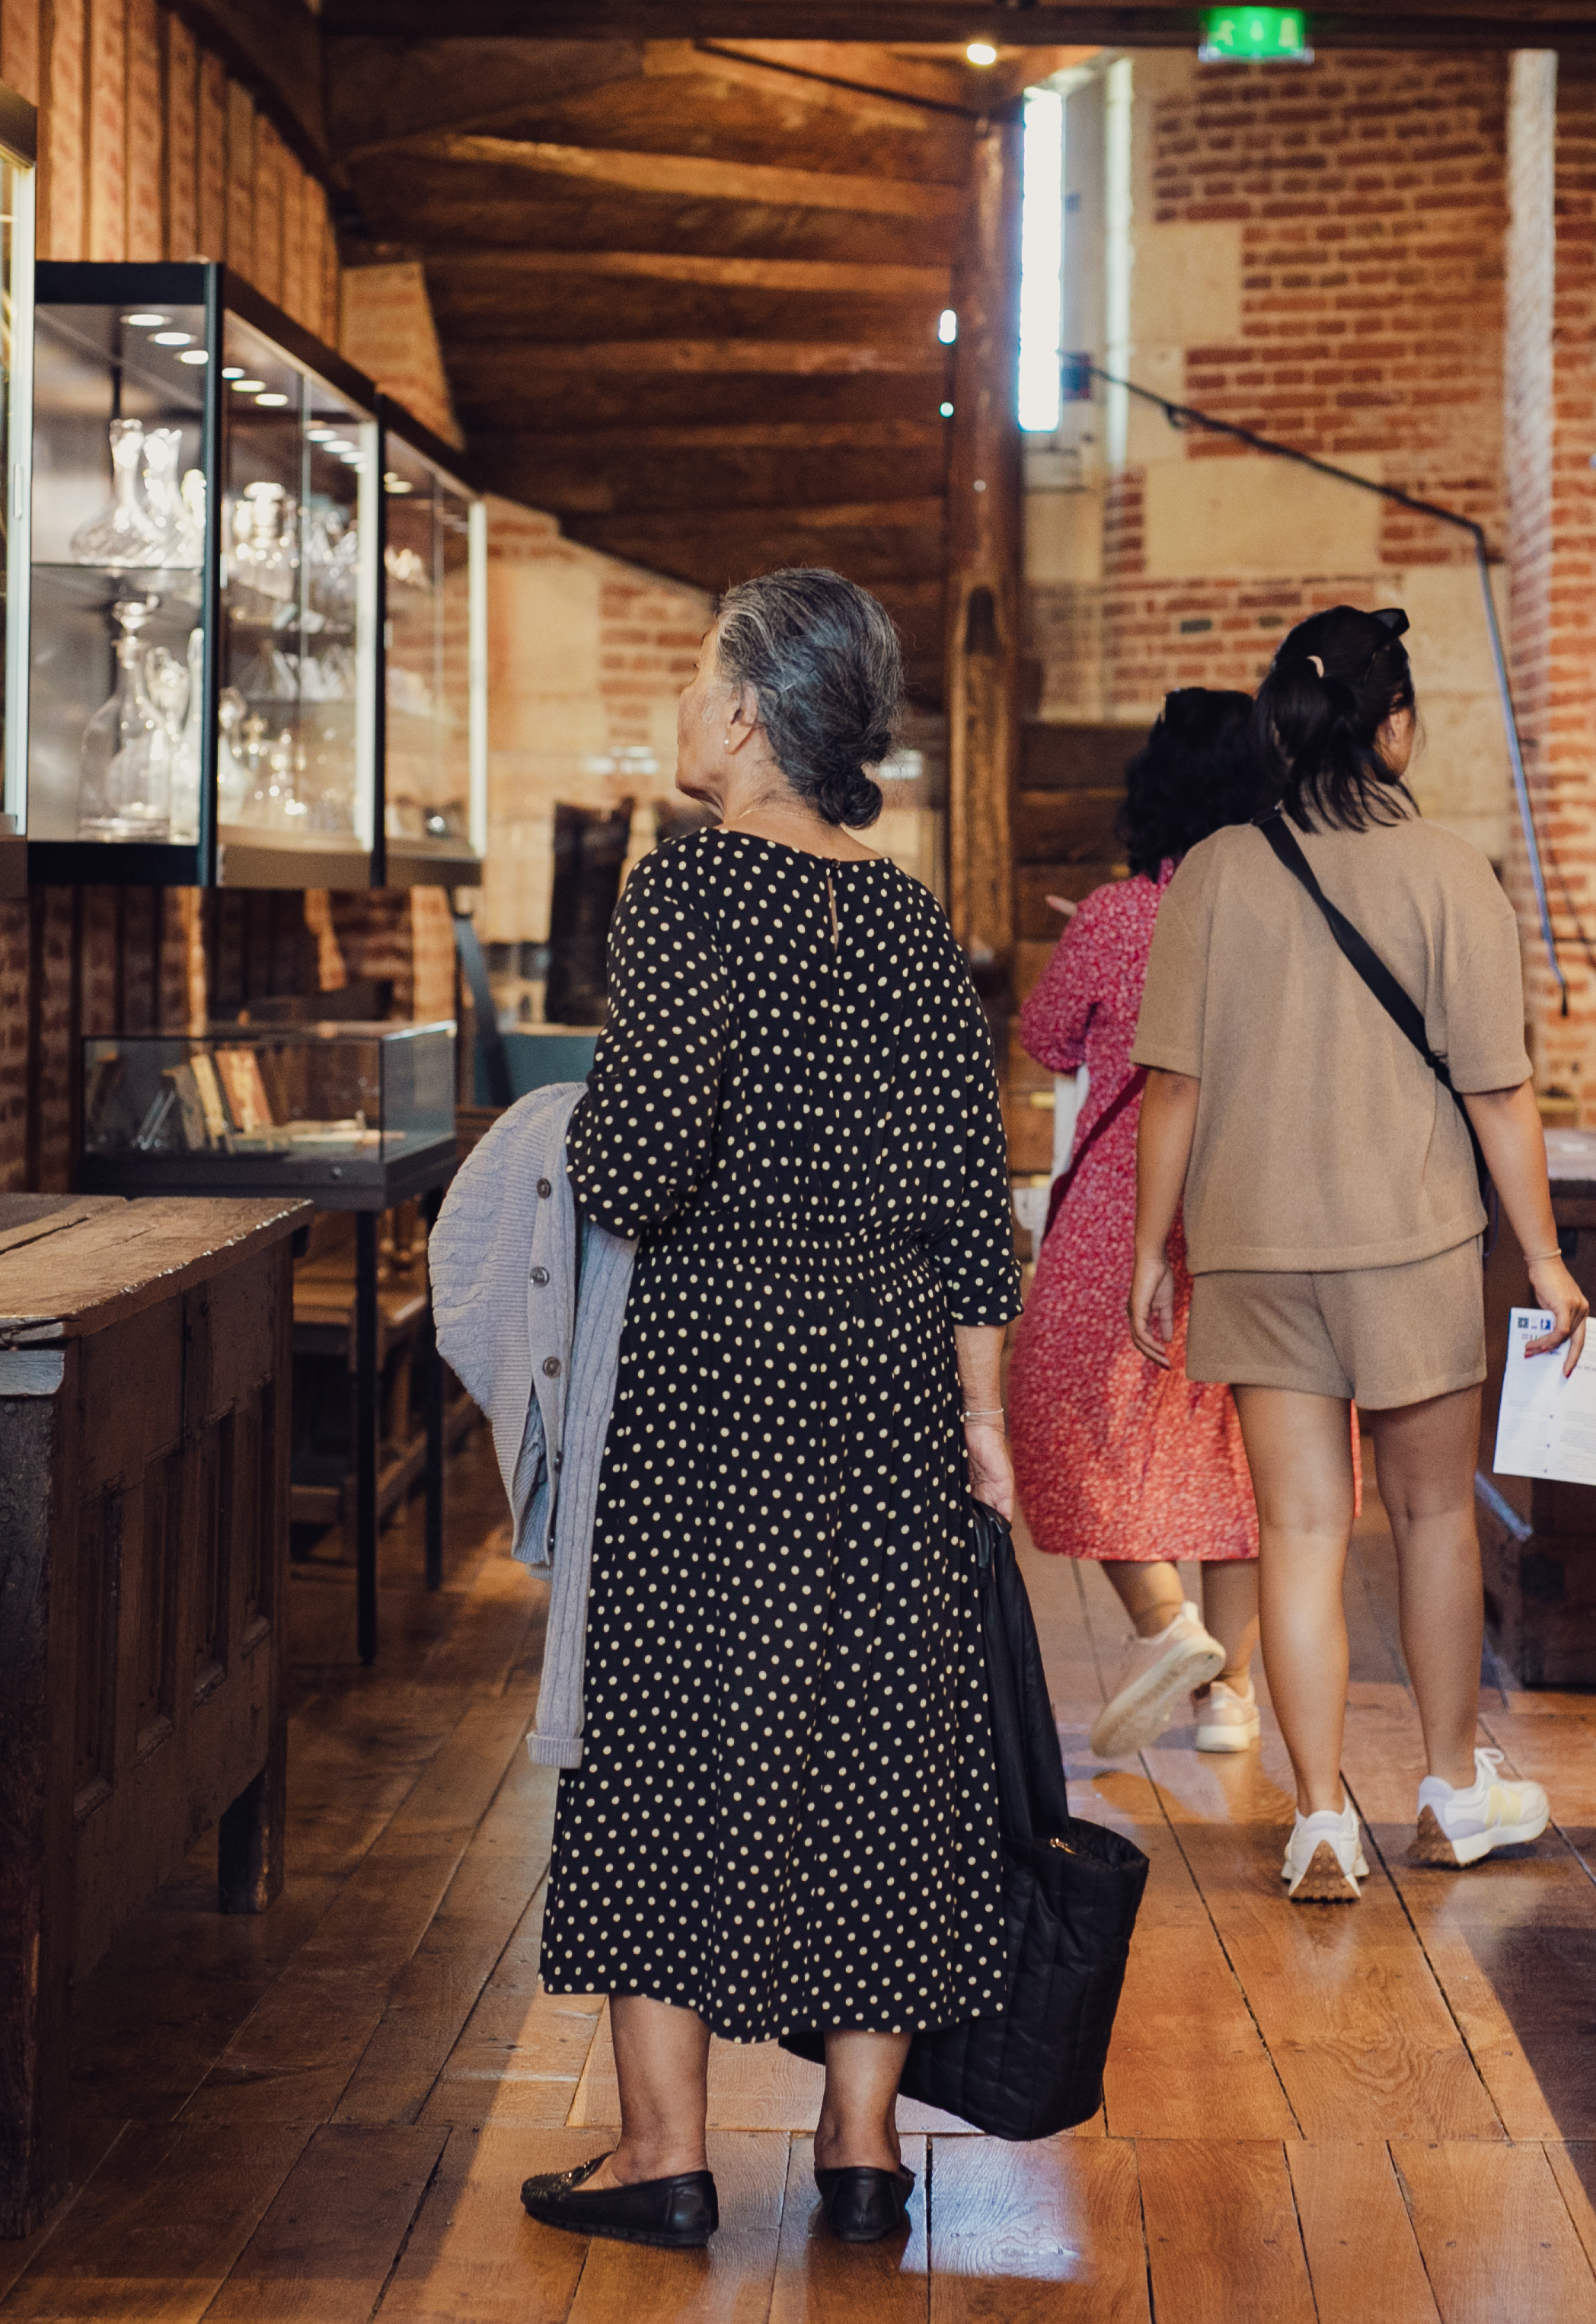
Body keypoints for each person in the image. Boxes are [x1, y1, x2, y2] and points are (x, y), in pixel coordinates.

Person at [522, 568, 1020, 2255]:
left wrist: (579, 1140)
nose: (683, 703)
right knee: (882, 1730)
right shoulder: (907, 917)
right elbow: (968, 1197)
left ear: (742, 715)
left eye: (695, 676)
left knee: (668, 1729)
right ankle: (862, 2154)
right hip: (886, 1368)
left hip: (716, 1367)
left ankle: (662, 2155)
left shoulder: (688, 888)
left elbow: (637, 1163)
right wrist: (982, 1420)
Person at [1126, 604, 1591, 1904]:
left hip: (1255, 1248)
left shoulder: (1215, 871)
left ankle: (1321, 1816)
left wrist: (1155, 1246)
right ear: (1396, 726)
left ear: (1281, 727)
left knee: (1299, 1531)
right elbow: (1499, 1093)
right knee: (1433, 1518)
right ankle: (1449, 1791)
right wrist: (1546, 1260)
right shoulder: (1452, 873)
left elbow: (1174, 1085)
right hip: (1414, 1246)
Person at [1007, 687, 1283, 1761]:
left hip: (1122, 1210)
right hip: (1258, 1207)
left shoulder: (1119, 917)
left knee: (1062, 1411)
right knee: (1241, 1449)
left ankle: (1167, 1626)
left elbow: (1044, 1039)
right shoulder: (1287, 916)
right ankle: (1233, 1697)